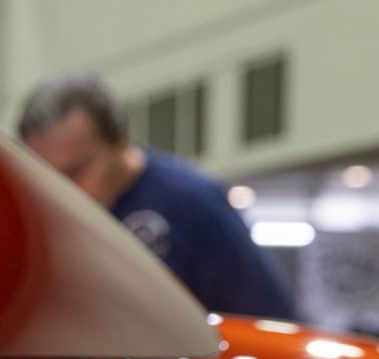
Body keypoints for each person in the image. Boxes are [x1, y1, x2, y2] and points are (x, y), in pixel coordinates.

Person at [16, 73, 298, 321]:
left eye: (77, 171)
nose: (64, 191)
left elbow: (268, 319)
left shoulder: (193, 203)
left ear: (120, 141)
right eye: (48, 175)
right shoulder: (47, 221)